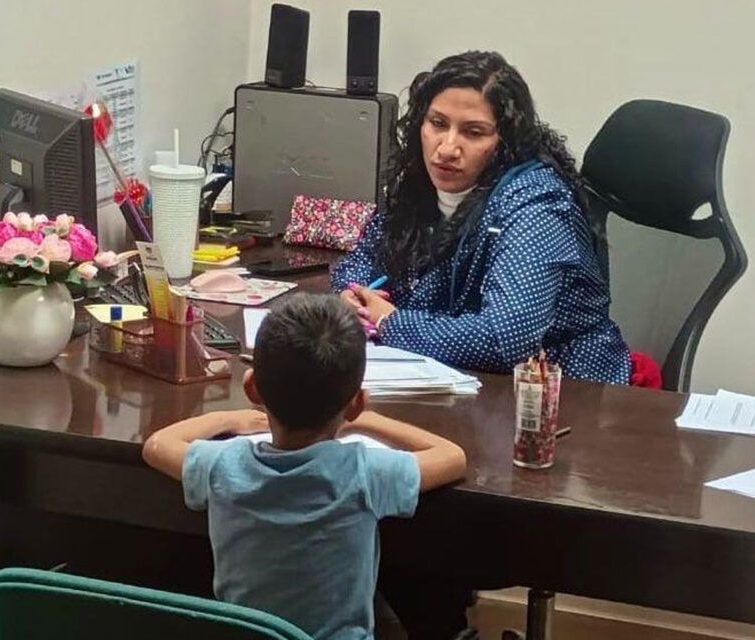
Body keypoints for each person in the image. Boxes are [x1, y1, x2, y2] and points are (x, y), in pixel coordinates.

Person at [142, 293, 467, 639]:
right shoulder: (364, 472)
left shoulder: (223, 466)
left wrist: (229, 418)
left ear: (252, 388)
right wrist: (366, 420)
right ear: (356, 402)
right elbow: (452, 457)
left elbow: (158, 445)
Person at [333, 51, 631, 383]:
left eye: (473, 132)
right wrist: (353, 296)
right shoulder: (419, 183)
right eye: (437, 124)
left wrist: (390, 322)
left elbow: (506, 339)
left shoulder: (535, 205)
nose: (447, 148)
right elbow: (361, 258)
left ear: (505, 141)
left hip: (556, 388)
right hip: (446, 375)